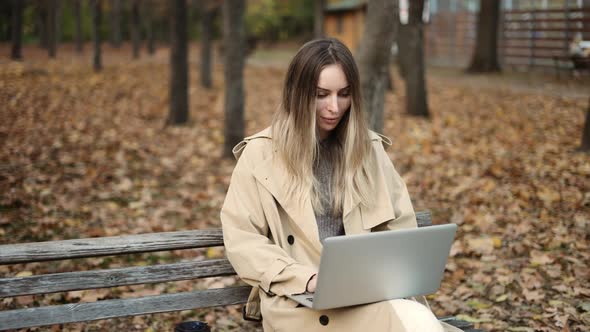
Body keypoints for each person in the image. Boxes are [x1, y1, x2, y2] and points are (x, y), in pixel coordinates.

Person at [221, 38, 461, 331]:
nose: (334, 107)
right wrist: (304, 278)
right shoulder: (261, 154)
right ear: (297, 93)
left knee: (416, 319)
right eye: (321, 94)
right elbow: (242, 238)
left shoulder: (368, 150)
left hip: (367, 297)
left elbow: (401, 229)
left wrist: (384, 277)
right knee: (415, 322)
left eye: (344, 94)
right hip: (301, 303)